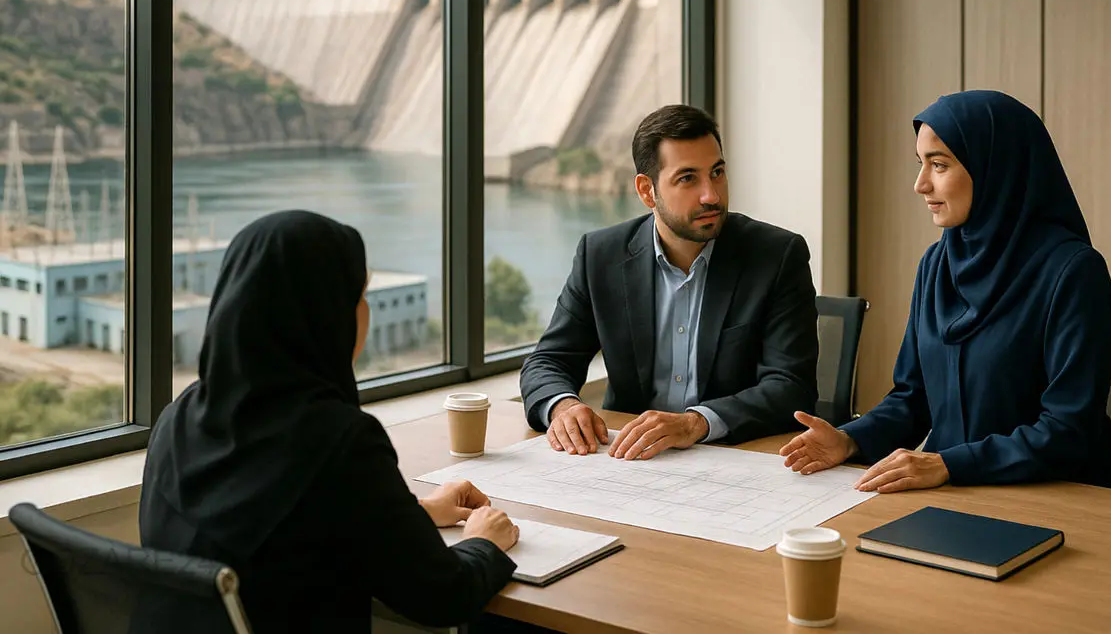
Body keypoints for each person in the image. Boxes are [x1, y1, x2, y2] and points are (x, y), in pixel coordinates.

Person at [139, 210, 520, 633]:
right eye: (359, 297)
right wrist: (484, 543)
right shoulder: (338, 443)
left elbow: (284, 534)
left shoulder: (179, 417)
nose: (365, 313)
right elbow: (445, 597)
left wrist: (418, 514)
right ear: (325, 314)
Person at [779, 90, 1111, 493]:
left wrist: (950, 463)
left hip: (1063, 496)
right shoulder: (937, 265)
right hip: (956, 492)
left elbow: (1068, 430)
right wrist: (850, 439)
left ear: (995, 168)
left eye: (939, 165)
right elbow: (912, 399)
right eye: (920, 164)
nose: (920, 184)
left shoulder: (1073, 272)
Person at [520, 104, 820, 459]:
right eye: (688, 178)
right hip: (630, 460)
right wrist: (563, 407)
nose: (711, 195)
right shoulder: (601, 255)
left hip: (736, 458)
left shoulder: (776, 256)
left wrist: (695, 423)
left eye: (717, 172)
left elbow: (790, 386)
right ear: (647, 191)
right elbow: (549, 360)